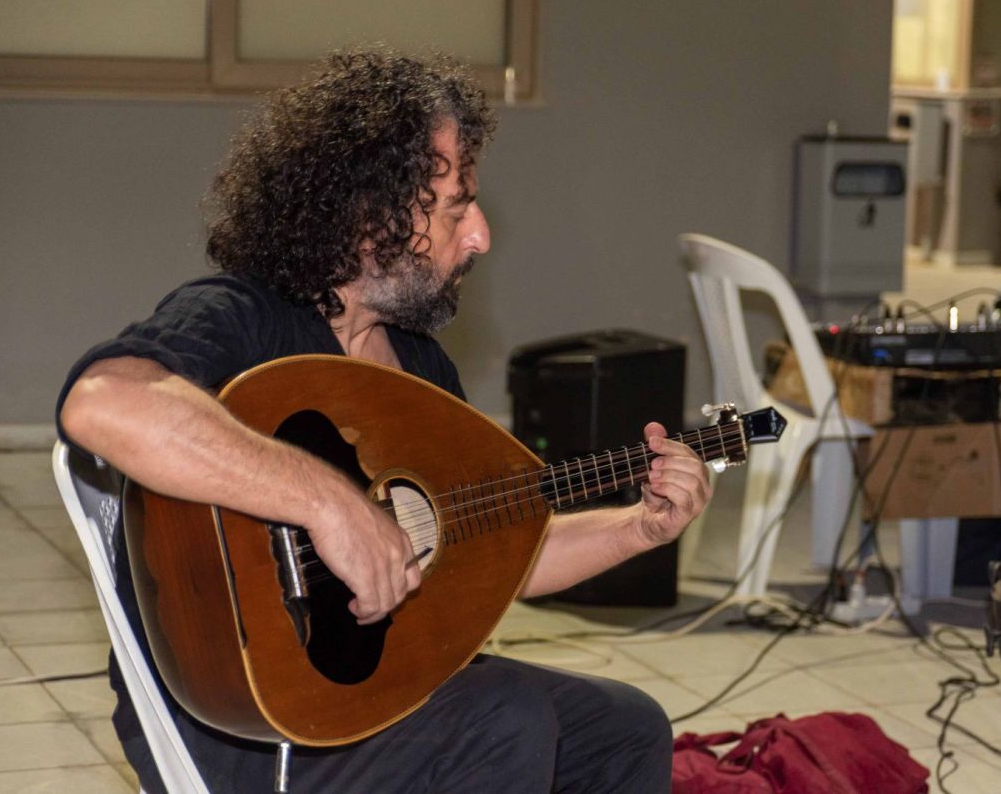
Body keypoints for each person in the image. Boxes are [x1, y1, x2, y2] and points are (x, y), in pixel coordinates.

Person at [57, 48, 712, 793]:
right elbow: (103, 400)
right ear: (371, 217)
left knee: (626, 726)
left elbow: (494, 554)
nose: (480, 236)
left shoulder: (418, 366)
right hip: (249, 724)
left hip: (379, 695)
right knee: (505, 716)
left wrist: (639, 528)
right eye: (458, 207)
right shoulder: (243, 318)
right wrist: (329, 503)